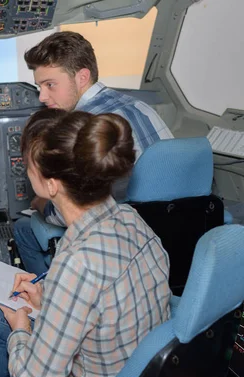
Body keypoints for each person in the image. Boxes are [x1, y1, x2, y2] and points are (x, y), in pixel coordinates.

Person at [0, 108, 172, 377]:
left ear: (52, 184)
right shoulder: (132, 220)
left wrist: (20, 329)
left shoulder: (76, 265)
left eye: (29, 165)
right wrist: (47, 300)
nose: (25, 169)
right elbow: (104, 302)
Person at [14, 31, 174, 275]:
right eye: (39, 86)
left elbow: (70, 210)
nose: (43, 97)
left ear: (82, 77)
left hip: (119, 242)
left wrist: (42, 204)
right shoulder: (141, 107)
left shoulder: (83, 129)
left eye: (50, 85)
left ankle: (46, 298)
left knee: (23, 227)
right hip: (175, 232)